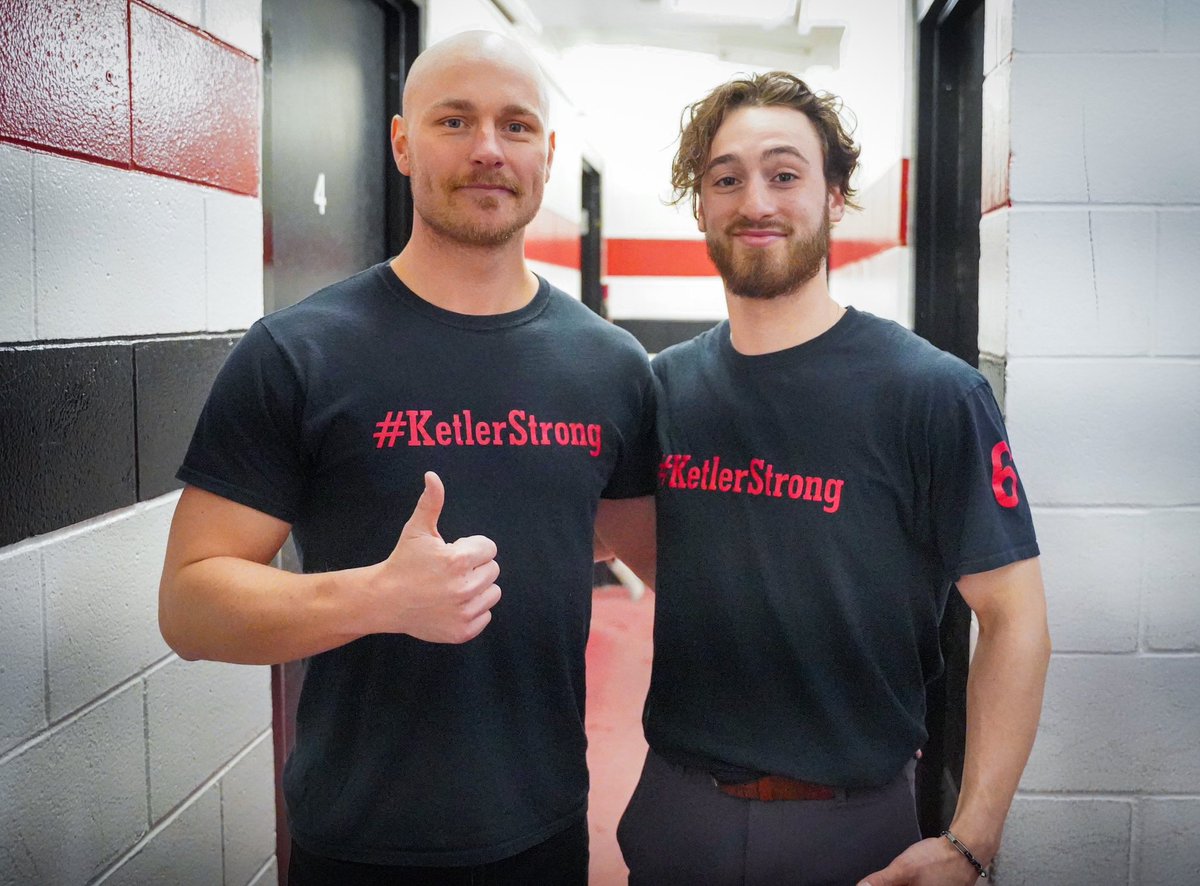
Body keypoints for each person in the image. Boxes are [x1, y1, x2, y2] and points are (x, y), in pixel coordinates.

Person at [159, 31, 656, 885]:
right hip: (356, 841)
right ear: (400, 142)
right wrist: (379, 597)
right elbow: (190, 605)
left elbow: (637, 546)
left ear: (548, 152)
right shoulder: (299, 352)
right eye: (454, 120)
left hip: (544, 834)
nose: (488, 150)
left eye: (516, 125)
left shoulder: (611, 367)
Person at [597, 72, 1051, 885]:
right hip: (676, 812)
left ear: (835, 197)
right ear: (700, 205)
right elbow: (653, 553)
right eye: (725, 178)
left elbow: (1015, 619)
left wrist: (972, 838)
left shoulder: (933, 394)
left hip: (855, 825)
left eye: (784, 173)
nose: (755, 201)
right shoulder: (661, 389)